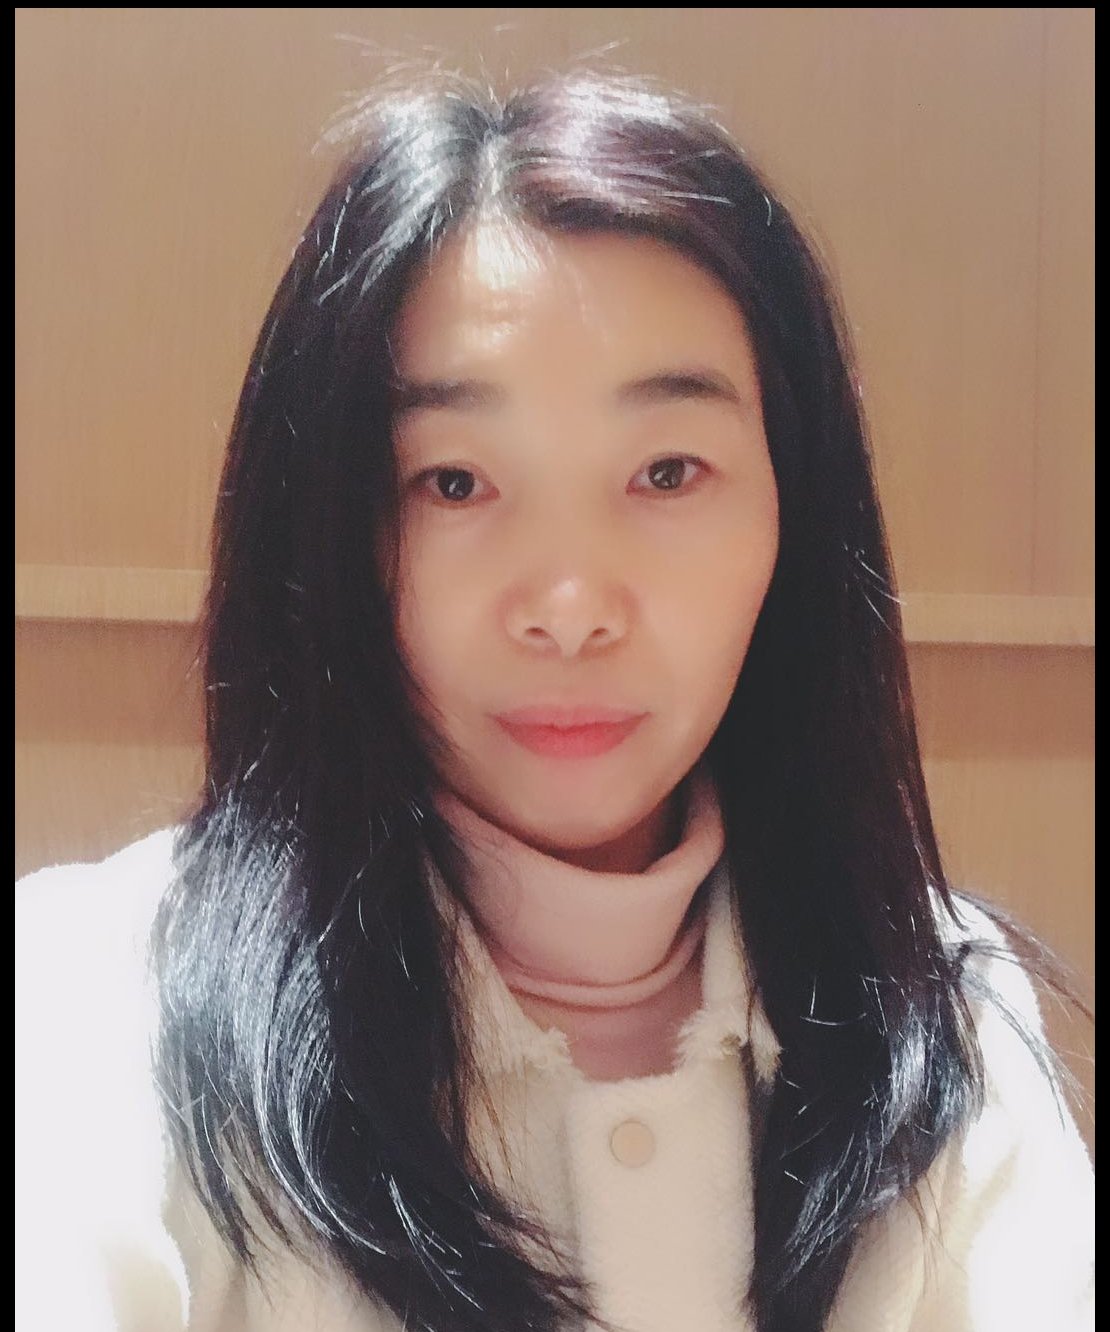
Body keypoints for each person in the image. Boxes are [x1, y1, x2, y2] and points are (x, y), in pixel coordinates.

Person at [14, 69, 1093, 1332]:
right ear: (328, 534)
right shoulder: (89, 1002)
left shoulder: (945, 1023)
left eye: (668, 472)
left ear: (795, 517)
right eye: (454, 483)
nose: (571, 607)